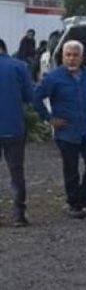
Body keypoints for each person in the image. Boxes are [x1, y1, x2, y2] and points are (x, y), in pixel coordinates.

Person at [34, 40, 86, 219]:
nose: (71, 59)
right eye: (68, 55)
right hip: (67, 132)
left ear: (82, 57)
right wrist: (50, 119)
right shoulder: (54, 77)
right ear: (63, 57)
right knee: (71, 169)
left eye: (75, 55)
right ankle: (74, 204)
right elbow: (36, 98)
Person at [0, 38, 34, 226]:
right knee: (16, 171)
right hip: (13, 127)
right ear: (4, 48)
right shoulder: (19, 66)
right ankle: (18, 215)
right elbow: (30, 96)